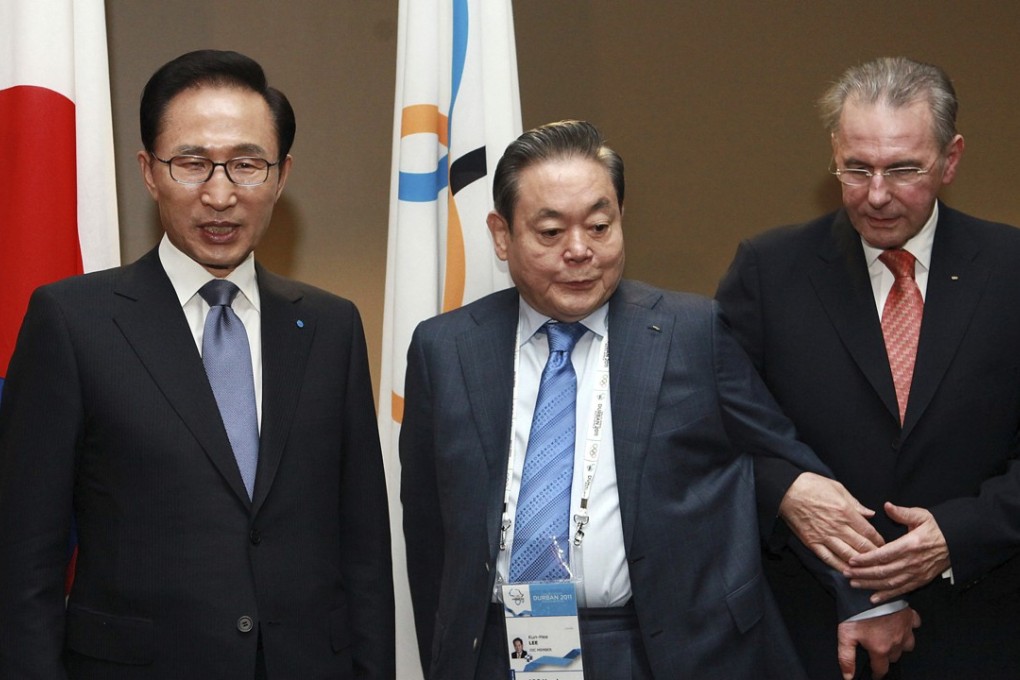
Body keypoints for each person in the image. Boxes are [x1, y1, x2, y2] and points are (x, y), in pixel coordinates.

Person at [399, 120, 875, 680]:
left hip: (652, 647)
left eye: (600, 226)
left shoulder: (690, 331)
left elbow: (784, 464)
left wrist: (870, 598)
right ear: (502, 236)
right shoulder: (446, 349)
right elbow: (430, 531)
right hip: (501, 649)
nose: (580, 251)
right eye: (550, 232)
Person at [0, 50, 394, 679]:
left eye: (246, 164)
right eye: (191, 164)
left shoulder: (330, 326)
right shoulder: (73, 322)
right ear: (149, 172)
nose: (220, 194)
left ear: (281, 175)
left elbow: (364, 550)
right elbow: (24, 557)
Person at [717, 56, 1020, 680]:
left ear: (951, 158)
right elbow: (710, 429)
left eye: (903, 169)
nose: (877, 194)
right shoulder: (769, 272)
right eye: (856, 169)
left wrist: (956, 536)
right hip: (810, 636)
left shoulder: (1011, 269)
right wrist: (785, 492)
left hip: (982, 628)